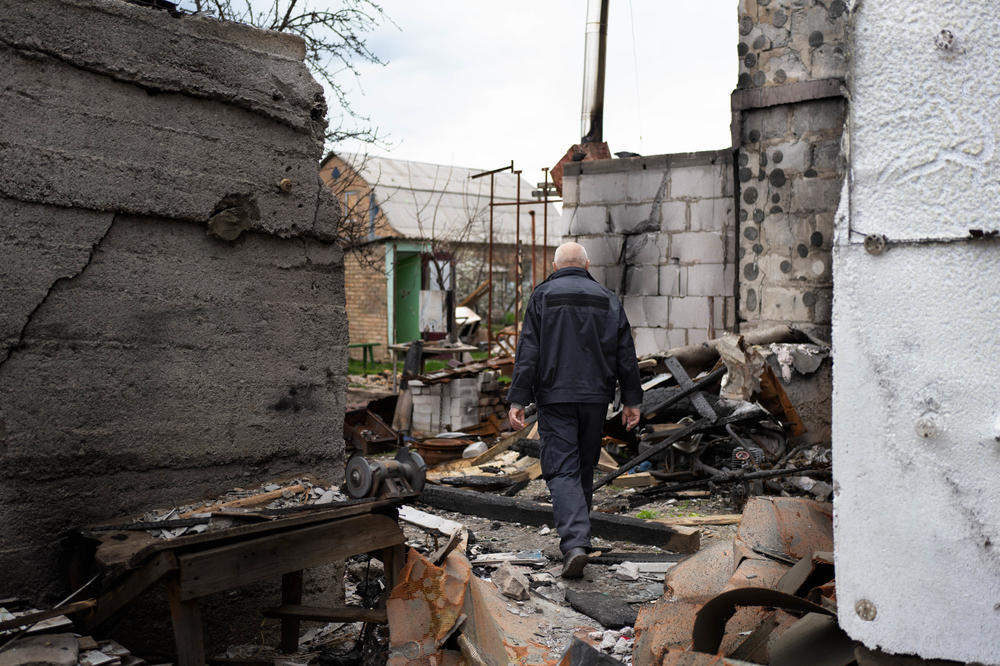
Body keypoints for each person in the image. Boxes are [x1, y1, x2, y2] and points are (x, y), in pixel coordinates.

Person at [506, 242, 642, 578]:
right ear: (587, 264)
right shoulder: (608, 298)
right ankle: (579, 538)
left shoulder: (543, 296)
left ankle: (575, 543)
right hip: (595, 398)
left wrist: (517, 398)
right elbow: (625, 352)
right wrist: (632, 399)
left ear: (555, 265)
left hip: (556, 396)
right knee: (582, 466)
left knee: (562, 469)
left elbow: (529, 352)